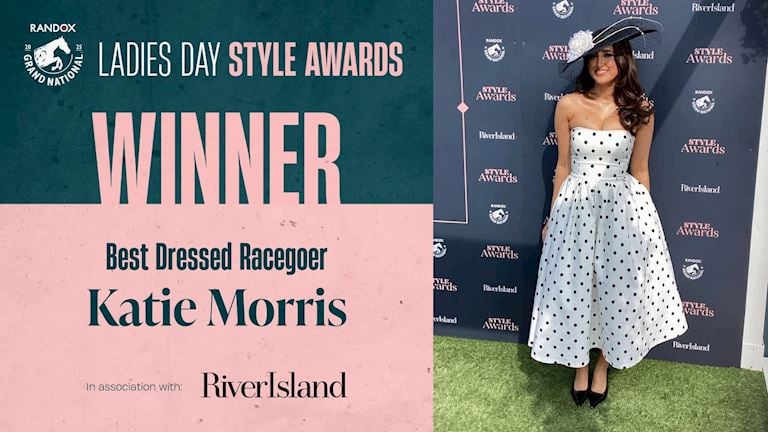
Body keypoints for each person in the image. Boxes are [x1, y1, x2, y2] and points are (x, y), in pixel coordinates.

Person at [527, 17, 688, 408]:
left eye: (609, 55)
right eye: (594, 56)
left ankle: (602, 366)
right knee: (575, 289)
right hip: (575, 211)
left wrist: (644, 224)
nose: (601, 63)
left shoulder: (640, 109)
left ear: (623, 59)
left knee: (618, 291)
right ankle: (579, 366)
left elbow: (641, 170)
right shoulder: (568, 105)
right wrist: (552, 217)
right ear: (585, 61)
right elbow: (562, 167)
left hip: (623, 212)